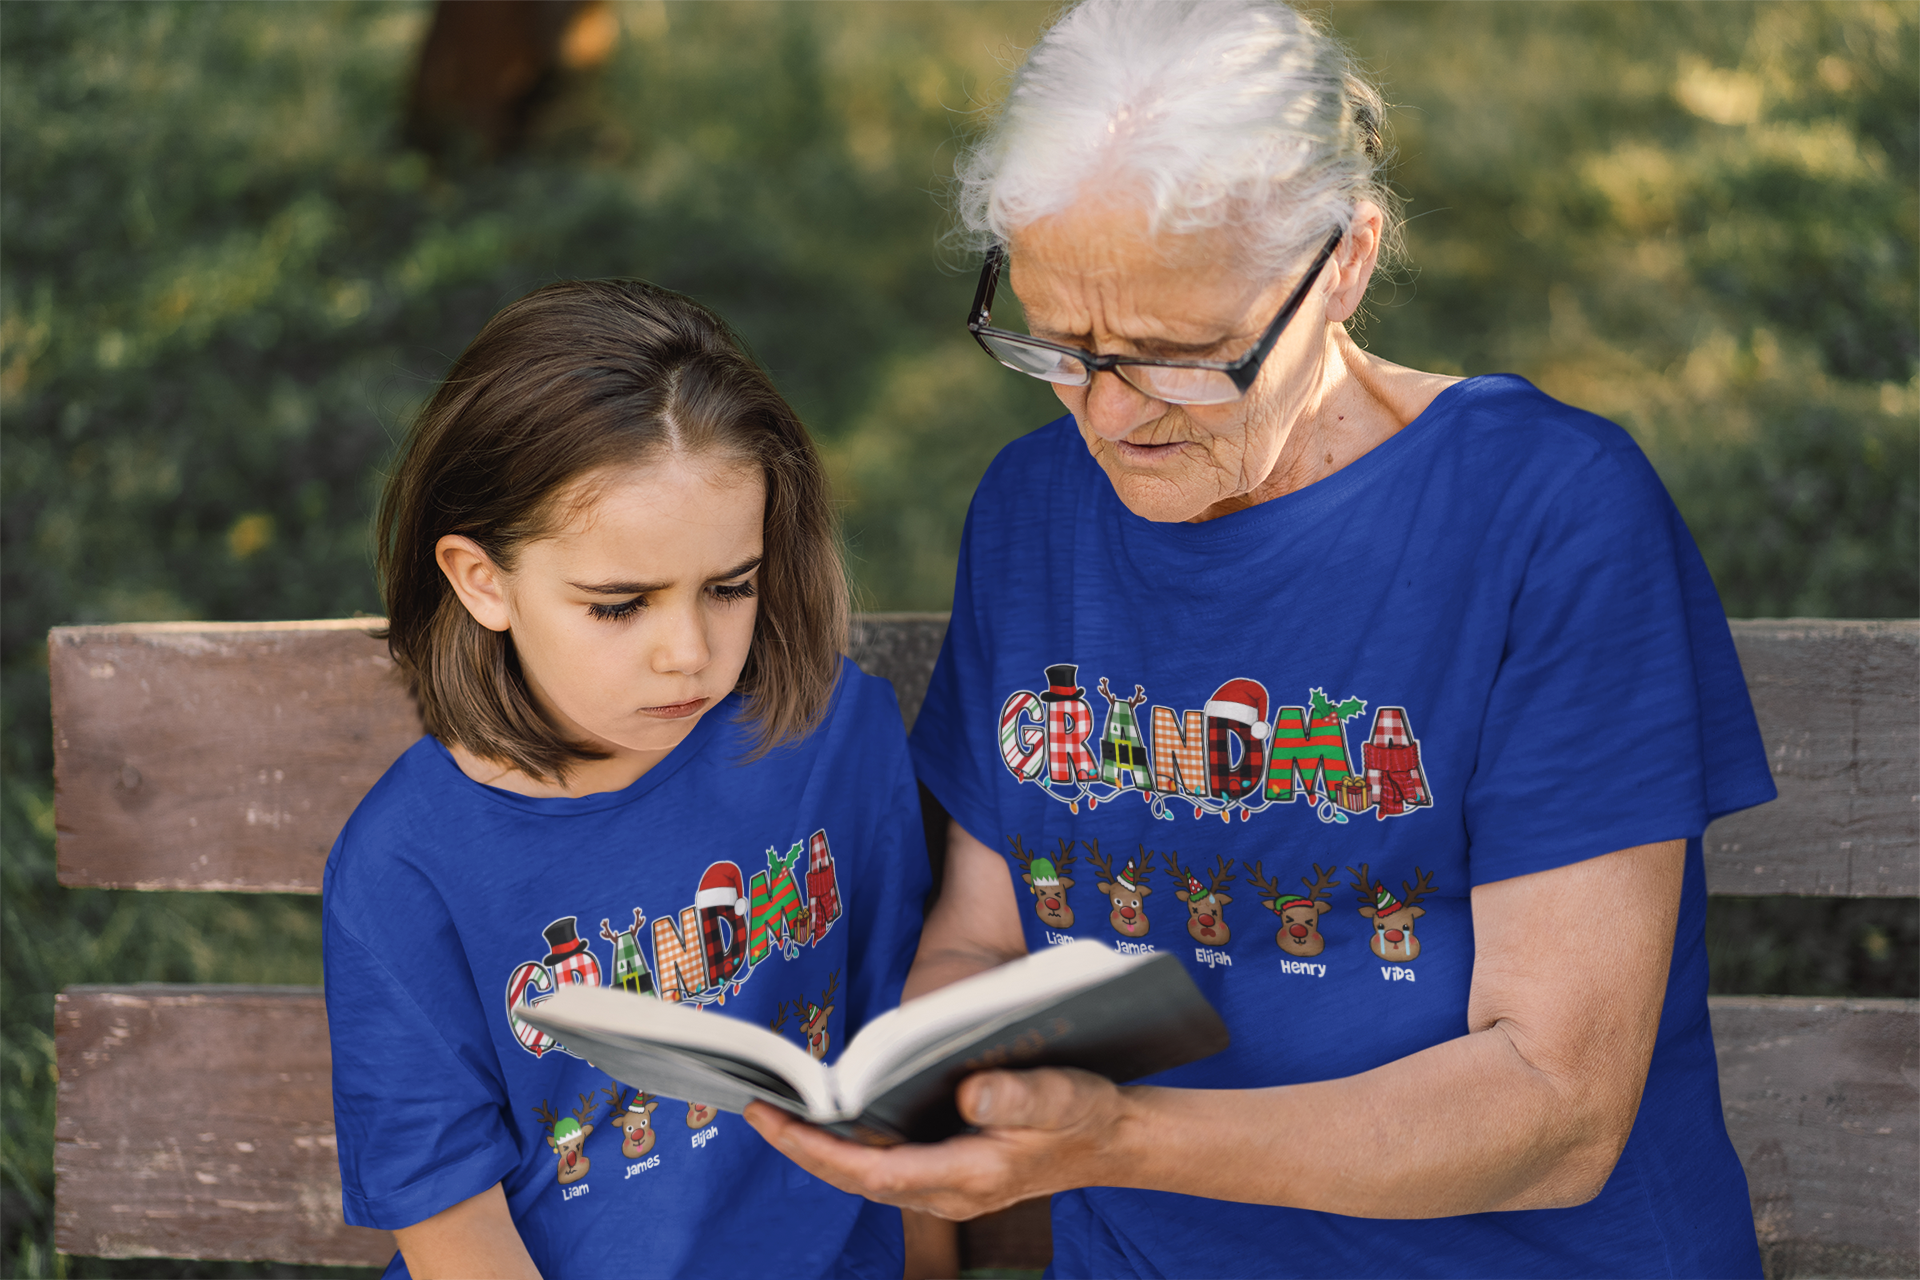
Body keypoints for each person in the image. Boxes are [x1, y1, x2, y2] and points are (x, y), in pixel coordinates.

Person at [743, 1, 1777, 1276]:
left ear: (1345, 260)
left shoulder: (1547, 516)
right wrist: (929, 1093)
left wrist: (1115, 1136)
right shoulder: (1034, 507)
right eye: (1059, 344)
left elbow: (1557, 1112)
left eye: (1179, 358)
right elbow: (988, 929)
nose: (1109, 416)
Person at [323, 279, 929, 1280]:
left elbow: (893, 1059)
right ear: (483, 580)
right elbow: (449, 1222)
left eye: (730, 586)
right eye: (619, 604)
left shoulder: (831, 736)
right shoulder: (408, 863)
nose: (687, 652)